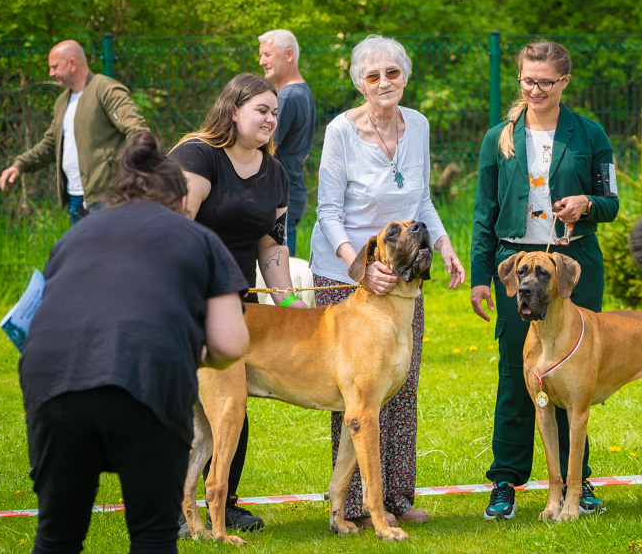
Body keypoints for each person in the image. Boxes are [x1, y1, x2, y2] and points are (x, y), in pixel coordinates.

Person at [19, 131, 249, 554]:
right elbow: (232, 342)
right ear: (182, 202)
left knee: (57, 537)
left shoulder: (75, 237)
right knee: (152, 536)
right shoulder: (199, 239)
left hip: (52, 387)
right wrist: (187, 351)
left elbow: (33, 320)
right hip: (144, 382)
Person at [310, 34, 465, 528]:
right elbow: (328, 211)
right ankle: (351, 506)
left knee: (400, 385)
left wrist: (443, 245)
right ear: (359, 82)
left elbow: (420, 202)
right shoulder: (340, 131)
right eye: (373, 76)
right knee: (357, 395)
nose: (383, 83)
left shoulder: (416, 124)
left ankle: (397, 496)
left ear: (405, 75)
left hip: (403, 270)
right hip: (347, 270)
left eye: (392, 73)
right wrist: (361, 265)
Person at [470, 40, 619, 520]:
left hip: (574, 267)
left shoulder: (590, 134)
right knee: (518, 377)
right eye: (527, 81)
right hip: (518, 270)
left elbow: (611, 202)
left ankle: (579, 482)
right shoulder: (500, 136)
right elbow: (482, 215)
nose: (535, 90)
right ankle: (506, 481)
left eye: (545, 82)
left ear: (564, 83)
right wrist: (479, 277)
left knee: (576, 379)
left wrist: (587, 205)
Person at [169, 73, 309, 534]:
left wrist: (289, 305)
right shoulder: (197, 156)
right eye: (261, 110)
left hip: (238, 303)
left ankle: (221, 503)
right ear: (234, 111)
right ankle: (169, 506)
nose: (271, 119)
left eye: (274, 112)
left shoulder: (276, 173)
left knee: (229, 407)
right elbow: (174, 231)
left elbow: (271, 248)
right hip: (183, 297)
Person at [0, 39, 149, 224]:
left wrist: (128, 174)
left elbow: (137, 131)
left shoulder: (106, 90)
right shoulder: (62, 101)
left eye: (54, 67)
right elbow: (50, 144)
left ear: (71, 63)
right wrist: (20, 165)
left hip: (109, 196)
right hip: (76, 198)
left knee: (112, 252)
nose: (51, 73)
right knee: (83, 254)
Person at [259, 29, 317, 257]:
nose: (262, 60)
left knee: (281, 283)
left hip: (281, 197)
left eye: (268, 54)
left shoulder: (286, 97)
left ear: (289, 55)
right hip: (292, 192)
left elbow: (265, 146)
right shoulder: (303, 92)